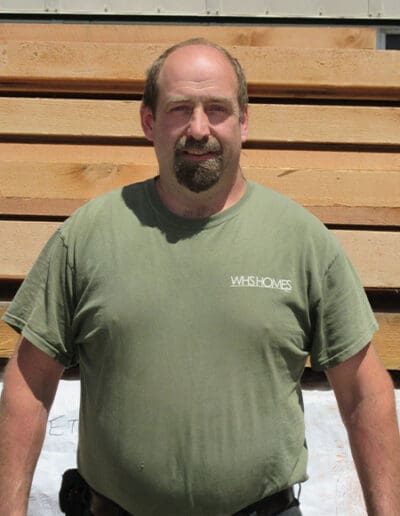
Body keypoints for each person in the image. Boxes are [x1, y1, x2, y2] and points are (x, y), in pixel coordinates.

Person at [0, 38, 399, 516]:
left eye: (217, 109)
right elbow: (29, 383)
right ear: (149, 122)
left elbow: (364, 394)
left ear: (244, 121)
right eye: (179, 109)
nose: (198, 128)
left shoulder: (301, 242)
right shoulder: (88, 237)